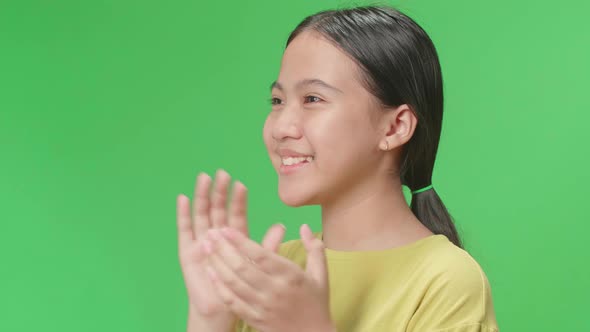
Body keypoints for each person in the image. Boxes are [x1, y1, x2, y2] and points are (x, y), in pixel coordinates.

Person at [176, 5, 499, 332]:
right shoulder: (277, 272)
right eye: (277, 101)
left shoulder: (446, 281)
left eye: (312, 99)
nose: (281, 127)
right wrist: (209, 319)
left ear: (394, 127)